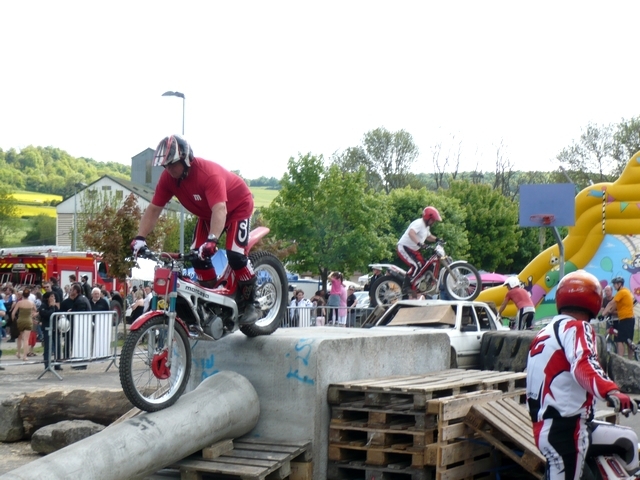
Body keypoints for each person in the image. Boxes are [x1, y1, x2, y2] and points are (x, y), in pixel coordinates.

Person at [131, 135, 259, 325]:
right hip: (208, 214)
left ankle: (252, 303)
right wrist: (140, 238)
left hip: (237, 207)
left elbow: (220, 209)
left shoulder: (208, 174)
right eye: (165, 165)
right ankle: (212, 301)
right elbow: (154, 209)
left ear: (186, 159)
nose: (169, 169)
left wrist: (212, 240)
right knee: (197, 256)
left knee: (235, 256)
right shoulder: (168, 179)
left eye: (172, 164)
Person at [526, 270, 636, 480]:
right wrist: (611, 391)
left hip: (546, 427)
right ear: (595, 301)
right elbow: (583, 363)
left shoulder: (544, 333)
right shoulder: (577, 327)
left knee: (627, 439)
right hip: (568, 430)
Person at [397, 206, 442, 294]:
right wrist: (419, 243)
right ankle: (406, 287)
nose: (434, 222)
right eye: (433, 220)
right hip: (404, 247)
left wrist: (437, 239)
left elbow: (429, 237)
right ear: (428, 218)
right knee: (416, 266)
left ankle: (419, 284)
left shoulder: (426, 227)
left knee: (425, 265)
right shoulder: (419, 223)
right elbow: (411, 233)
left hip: (413, 250)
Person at [602, 276, 635, 359]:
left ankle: (620, 360)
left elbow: (611, 303)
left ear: (619, 284)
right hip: (628, 319)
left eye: (615, 284)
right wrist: (609, 312)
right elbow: (615, 306)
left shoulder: (621, 292)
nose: (614, 286)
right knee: (628, 341)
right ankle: (630, 361)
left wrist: (603, 314)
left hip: (626, 319)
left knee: (619, 340)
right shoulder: (626, 291)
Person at [11, 288, 36, 361]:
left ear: (22, 295)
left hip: (20, 320)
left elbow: (13, 313)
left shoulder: (19, 303)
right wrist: (32, 315)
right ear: (29, 295)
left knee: (19, 337)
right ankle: (25, 356)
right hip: (28, 320)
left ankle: (18, 352)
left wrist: (14, 320)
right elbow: (35, 311)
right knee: (26, 339)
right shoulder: (31, 303)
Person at [39, 291, 61, 371]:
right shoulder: (43, 306)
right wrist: (51, 307)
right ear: (47, 298)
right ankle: (47, 365)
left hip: (55, 328)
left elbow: (57, 314)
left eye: (54, 297)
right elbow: (47, 314)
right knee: (48, 347)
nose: (53, 298)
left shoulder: (55, 306)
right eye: (51, 296)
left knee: (58, 346)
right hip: (47, 329)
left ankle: (57, 364)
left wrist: (55, 307)